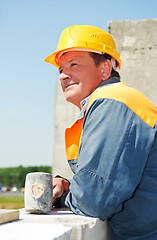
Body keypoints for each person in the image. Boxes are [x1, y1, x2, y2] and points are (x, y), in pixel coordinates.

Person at [45, 25, 157, 239]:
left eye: (73, 64)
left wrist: (60, 198)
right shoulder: (111, 103)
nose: (63, 75)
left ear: (105, 69)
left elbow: (94, 199)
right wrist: (68, 185)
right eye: (60, 69)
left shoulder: (114, 101)